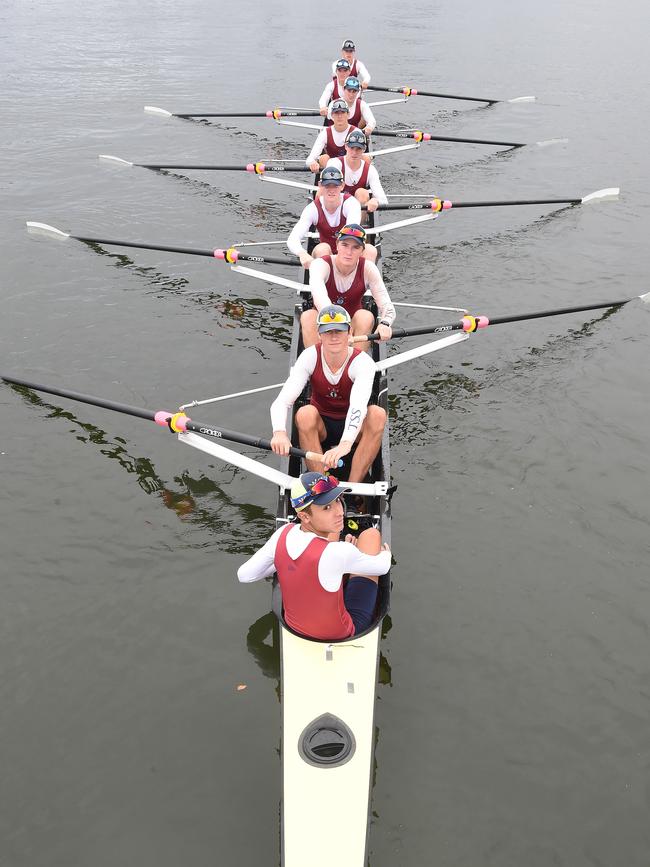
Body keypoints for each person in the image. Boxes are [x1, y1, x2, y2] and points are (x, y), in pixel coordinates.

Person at [237, 471, 391, 641]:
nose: (340, 512)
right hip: (340, 633)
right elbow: (382, 567)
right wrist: (385, 553)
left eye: (338, 500)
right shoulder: (339, 552)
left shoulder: (282, 534)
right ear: (304, 516)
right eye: (327, 508)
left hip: (295, 627)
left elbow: (244, 575)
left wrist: (283, 560)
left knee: (329, 544)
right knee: (371, 535)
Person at [270, 304, 387, 482]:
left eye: (339, 331)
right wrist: (279, 433)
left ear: (349, 333)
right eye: (327, 331)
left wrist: (346, 443)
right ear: (319, 334)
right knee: (304, 414)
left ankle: (353, 490)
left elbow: (358, 406)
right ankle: (321, 485)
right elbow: (282, 401)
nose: (333, 337)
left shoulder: (363, 363)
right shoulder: (309, 356)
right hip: (322, 426)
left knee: (377, 415)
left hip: (354, 428)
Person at [301, 223, 394, 348]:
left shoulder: (368, 268)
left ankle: (355, 362)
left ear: (362, 251)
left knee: (366, 316)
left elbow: (387, 305)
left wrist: (385, 324)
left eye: (355, 247)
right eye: (344, 245)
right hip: (324, 323)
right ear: (337, 245)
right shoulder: (320, 265)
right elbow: (320, 298)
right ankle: (316, 361)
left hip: (353, 329)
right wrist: (338, 329)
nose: (349, 252)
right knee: (308, 316)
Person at [287, 165, 363, 267]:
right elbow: (292, 239)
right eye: (327, 186)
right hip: (326, 254)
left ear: (342, 186)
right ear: (320, 186)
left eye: (335, 186)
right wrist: (302, 254)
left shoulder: (351, 204)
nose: (331, 190)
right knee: (322, 249)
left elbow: (351, 235)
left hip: (348, 251)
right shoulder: (312, 209)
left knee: (371, 251)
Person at [328, 129, 387, 212]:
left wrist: (375, 201)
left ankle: (357, 224)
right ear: (345, 146)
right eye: (351, 148)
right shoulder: (334, 163)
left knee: (362, 193)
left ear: (364, 149)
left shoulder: (370, 170)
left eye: (358, 149)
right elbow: (326, 191)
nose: (354, 152)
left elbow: (384, 200)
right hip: (336, 208)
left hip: (356, 213)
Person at [304, 99, 359, 172]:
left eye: (343, 112)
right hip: (332, 172)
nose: (340, 116)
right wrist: (313, 163)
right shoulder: (325, 133)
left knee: (366, 159)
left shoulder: (356, 132)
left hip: (350, 168)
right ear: (332, 115)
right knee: (323, 158)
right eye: (336, 113)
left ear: (348, 114)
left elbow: (361, 156)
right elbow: (310, 159)